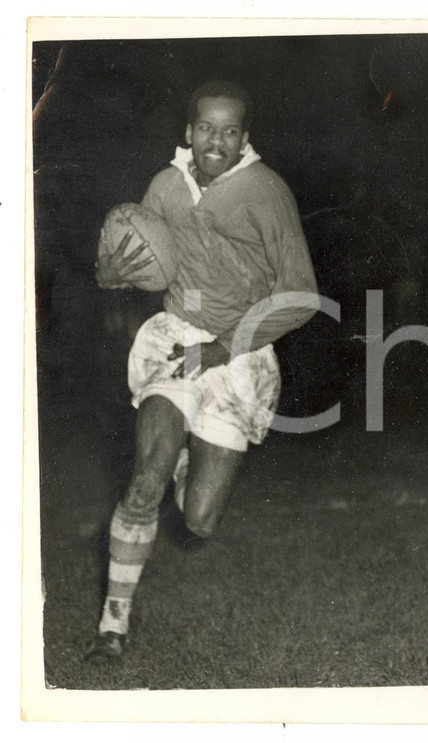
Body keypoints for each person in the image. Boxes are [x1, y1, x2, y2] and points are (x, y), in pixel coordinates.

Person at [85, 80, 319, 660]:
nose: (217, 140)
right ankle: (111, 629)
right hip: (176, 342)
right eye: (207, 128)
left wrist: (223, 346)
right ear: (188, 132)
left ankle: (186, 463)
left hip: (238, 353)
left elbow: (302, 297)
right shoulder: (164, 186)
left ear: (245, 138)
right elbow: (145, 268)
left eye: (230, 131)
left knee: (199, 521)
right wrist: (111, 277)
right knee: (144, 483)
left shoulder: (266, 193)